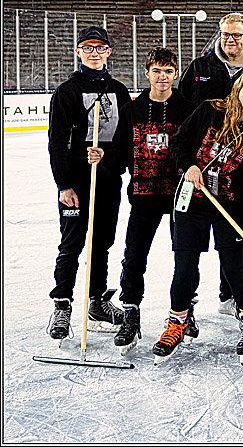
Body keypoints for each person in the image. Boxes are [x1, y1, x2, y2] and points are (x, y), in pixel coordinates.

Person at [155, 69, 243, 365]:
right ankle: (177, 323)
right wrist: (188, 166)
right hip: (192, 201)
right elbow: (179, 142)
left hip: (229, 208)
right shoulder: (210, 110)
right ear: (237, 89)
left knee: (234, 268)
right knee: (184, 267)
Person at [46, 26, 133, 344]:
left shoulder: (119, 91)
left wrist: (112, 163)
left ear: (109, 52)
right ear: (78, 51)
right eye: (87, 47)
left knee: (101, 244)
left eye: (100, 47)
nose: (94, 52)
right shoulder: (67, 92)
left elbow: (127, 140)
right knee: (71, 245)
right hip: (77, 184)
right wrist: (64, 184)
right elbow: (56, 142)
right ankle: (62, 305)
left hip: (108, 181)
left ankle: (96, 302)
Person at [109, 48, 197, 354]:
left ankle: (187, 309)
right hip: (144, 194)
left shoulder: (187, 108)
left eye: (168, 71)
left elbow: (196, 149)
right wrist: (101, 159)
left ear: (176, 74)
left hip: (179, 195)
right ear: (147, 73)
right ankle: (130, 312)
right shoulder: (131, 109)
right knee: (134, 255)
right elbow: (119, 152)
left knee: (185, 257)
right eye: (157, 71)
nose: (162, 77)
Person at [179, 13, 243, 106]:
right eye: (225, 34)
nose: (230, 40)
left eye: (236, 35)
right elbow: (181, 103)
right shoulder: (198, 67)